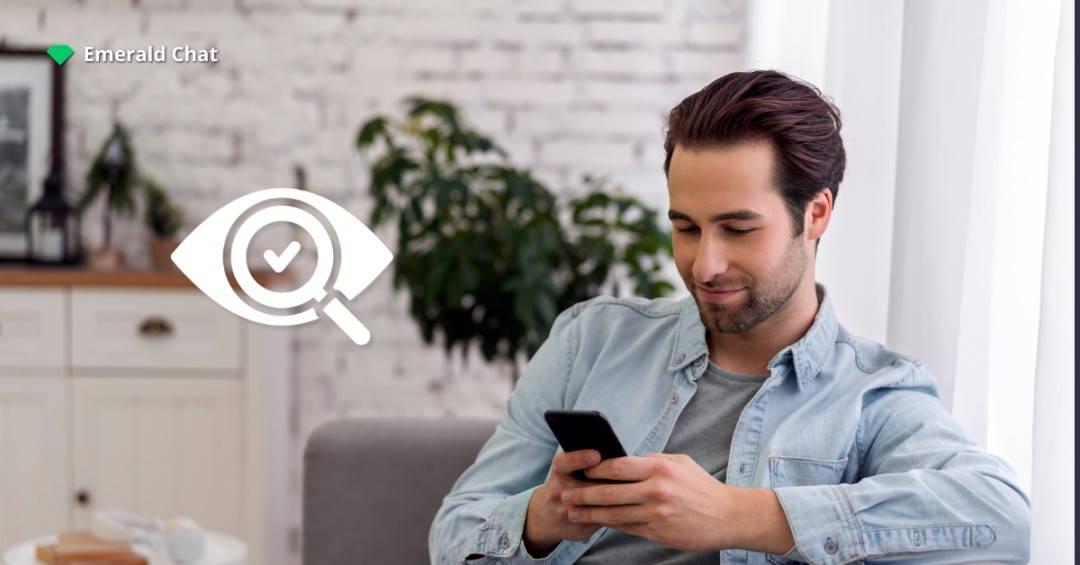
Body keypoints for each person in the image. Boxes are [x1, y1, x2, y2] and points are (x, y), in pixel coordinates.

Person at [428, 70, 1030, 565]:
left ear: (816, 214)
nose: (704, 265)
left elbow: (1002, 520)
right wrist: (542, 518)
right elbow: (454, 533)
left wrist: (739, 516)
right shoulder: (589, 339)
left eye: (738, 229)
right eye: (684, 228)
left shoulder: (875, 393)